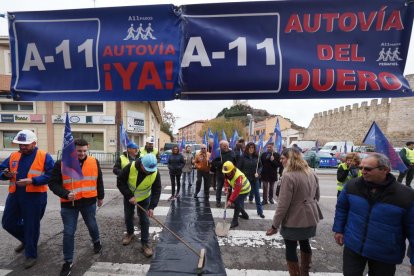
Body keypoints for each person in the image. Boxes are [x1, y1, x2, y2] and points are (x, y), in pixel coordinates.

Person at [333, 153, 414, 276]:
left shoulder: (406, 195)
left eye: (368, 169)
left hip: (384, 253)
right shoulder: (352, 186)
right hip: (354, 245)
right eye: (361, 168)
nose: (363, 171)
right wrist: (339, 229)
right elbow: (342, 209)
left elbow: (412, 227)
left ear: (385, 170)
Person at [48, 138, 104, 276]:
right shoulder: (61, 163)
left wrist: (101, 196)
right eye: (79, 151)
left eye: (85, 150)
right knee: (68, 232)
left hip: (89, 201)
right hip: (69, 204)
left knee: (92, 224)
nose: (82, 153)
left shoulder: (94, 161)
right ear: (73, 150)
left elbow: (99, 180)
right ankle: (68, 261)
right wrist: (66, 194)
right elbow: (53, 184)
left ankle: (96, 241)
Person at [0, 130, 54, 269]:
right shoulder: (14, 155)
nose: (22, 147)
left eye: (25, 144)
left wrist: (32, 181)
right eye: (20, 144)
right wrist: (5, 174)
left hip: (35, 196)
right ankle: (26, 240)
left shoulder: (44, 156)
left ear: (34, 143)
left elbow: (51, 175)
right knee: (7, 223)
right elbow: (1, 171)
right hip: (15, 195)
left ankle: (31, 255)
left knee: (31, 225)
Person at [266, 148, 320, 276]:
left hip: (294, 219)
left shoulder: (289, 176)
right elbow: (317, 196)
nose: (281, 161)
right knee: (305, 242)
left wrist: (275, 225)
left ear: (290, 159)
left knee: (290, 247)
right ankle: (305, 272)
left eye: (283, 158)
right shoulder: (311, 172)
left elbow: (283, 205)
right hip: (310, 216)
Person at [116, 154, 161, 258]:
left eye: (151, 170)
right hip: (130, 198)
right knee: (128, 216)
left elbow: (157, 189)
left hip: (144, 198)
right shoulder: (130, 167)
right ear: (141, 164)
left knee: (144, 219)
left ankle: (145, 243)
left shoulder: (155, 172)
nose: (149, 172)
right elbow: (120, 181)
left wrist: (152, 207)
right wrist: (129, 196)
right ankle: (130, 233)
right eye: (147, 169)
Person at [112, 141, 140, 246]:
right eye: (134, 148)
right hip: (127, 190)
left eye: (137, 148)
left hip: (140, 189)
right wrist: (124, 174)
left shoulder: (140, 157)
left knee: (143, 213)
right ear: (128, 149)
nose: (136, 150)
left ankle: (144, 231)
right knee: (128, 214)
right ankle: (130, 233)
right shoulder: (122, 158)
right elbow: (115, 169)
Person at [237, 142, 264, 218]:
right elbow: (238, 168)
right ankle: (242, 212)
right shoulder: (242, 157)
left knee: (257, 195)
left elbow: (261, 166)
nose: (251, 149)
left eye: (253, 148)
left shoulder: (257, 157)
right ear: (247, 148)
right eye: (250, 147)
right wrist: (242, 176)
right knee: (242, 196)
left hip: (255, 179)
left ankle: (260, 211)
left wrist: (258, 173)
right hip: (245, 179)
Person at [222, 161, 251, 228]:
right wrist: (226, 189)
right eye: (225, 172)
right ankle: (245, 215)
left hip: (245, 189)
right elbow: (226, 181)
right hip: (239, 189)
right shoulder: (227, 173)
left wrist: (230, 201)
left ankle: (235, 221)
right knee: (236, 202)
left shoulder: (238, 176)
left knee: (237, 202)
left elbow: (236, 191)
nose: (226, 173)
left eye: (227, 172)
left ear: (232, 169)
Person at [211, 140, 236, 207]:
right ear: (221, 146)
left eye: (227, 146)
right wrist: (220, 163)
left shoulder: (232, 152)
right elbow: (213, 162)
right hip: (220, 173)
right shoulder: (218, 153)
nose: (226, 147)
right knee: (219, 187)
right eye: (224, 146)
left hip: (230, 174)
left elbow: (235, 161)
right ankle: (218, 201)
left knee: (229, 188)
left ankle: (229, 201)